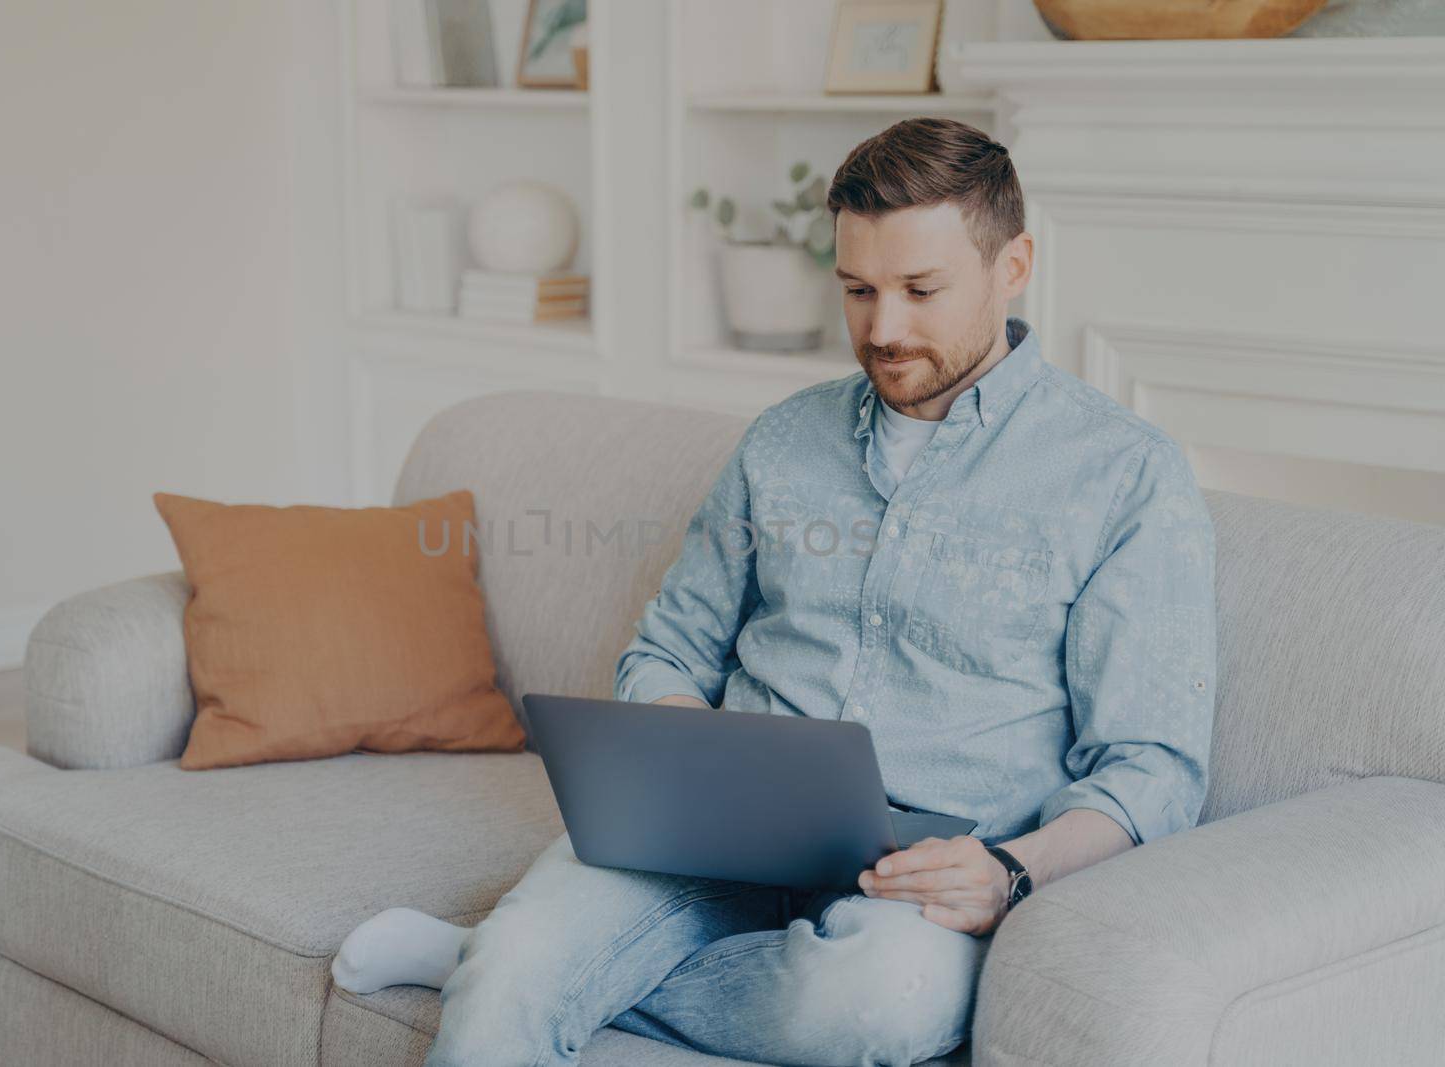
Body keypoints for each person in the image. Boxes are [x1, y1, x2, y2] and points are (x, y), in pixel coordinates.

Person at [333, 117, 1218, 1067]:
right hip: (716, 833)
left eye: (922, 290)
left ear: (1013, 267)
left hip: (924, 881)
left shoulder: (1124, 474)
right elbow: (669, 649)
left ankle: (496, 959)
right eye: (857, 290)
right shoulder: (784, 441)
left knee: (884, 1003)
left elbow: (1150, 767)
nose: (882, 330)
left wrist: (1011, 870)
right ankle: (513, 964)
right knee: (522, 966)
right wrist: (683, 758)